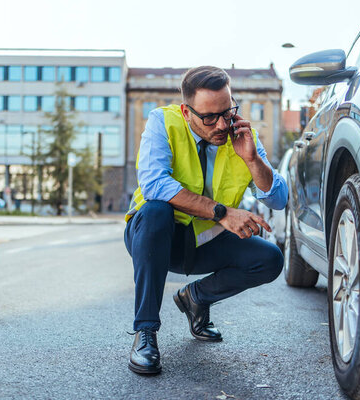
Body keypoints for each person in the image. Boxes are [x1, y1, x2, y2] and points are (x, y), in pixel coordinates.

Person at [123, 66, 288, 374]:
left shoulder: (241, 134)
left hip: (207, 243)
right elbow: (155, 184)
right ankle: (145, 332)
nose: (221, 124)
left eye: (227, 112)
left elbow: (278, 198)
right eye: (209, 117)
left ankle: (196, 298)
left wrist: (253, 160)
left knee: (269, 258)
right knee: (155, 209)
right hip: (159, 238)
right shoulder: (164, 122)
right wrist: (222, 213)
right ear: (187, 112)